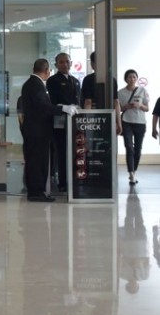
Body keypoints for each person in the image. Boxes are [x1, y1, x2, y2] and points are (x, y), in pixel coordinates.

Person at [22, 59, 77, 202]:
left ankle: (37, 191)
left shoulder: (33, 84)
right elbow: (42, 107)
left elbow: (42, 104)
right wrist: (62, 108)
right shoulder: (35, 85)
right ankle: (36, 192)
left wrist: (56, 106)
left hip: (36, 130)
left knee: (37, 160)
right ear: (47, 71)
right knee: (37, 161)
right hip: (37, 131)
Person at [46, 52, 82, 193]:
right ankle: (62, 183)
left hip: (75, 122)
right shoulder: (53, 80)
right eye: (61, 62)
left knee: (75, 151)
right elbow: (54, 101)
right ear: (56, 65)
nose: (64, 64)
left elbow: (79, 100)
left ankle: (74, 180)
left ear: (71, 63)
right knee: (61, 152)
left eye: (67, 61)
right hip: (59, 122)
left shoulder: (76, 81)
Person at [117, 69, 150, 185]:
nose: (132, 79)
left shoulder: (142, 90)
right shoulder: (120, 92)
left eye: (134, 77)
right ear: (125, 79)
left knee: (138, 149)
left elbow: (147, 108)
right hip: (126, 122)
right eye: (129, 77)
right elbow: (119, 109)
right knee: (129, 147)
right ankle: (131, 173)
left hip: (140, 123)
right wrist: (126, 106)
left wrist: (140, 105)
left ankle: (134, 170)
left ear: (137, 79)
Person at [81, 51, 123, 137]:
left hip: (93, 118)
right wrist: (119, 123)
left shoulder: (88, 79)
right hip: (109, 118)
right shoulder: (112, 79)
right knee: (107, 145)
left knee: (93, 145)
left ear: (92, 64)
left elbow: (88, 102)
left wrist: (87, 123)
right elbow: (116, 102)